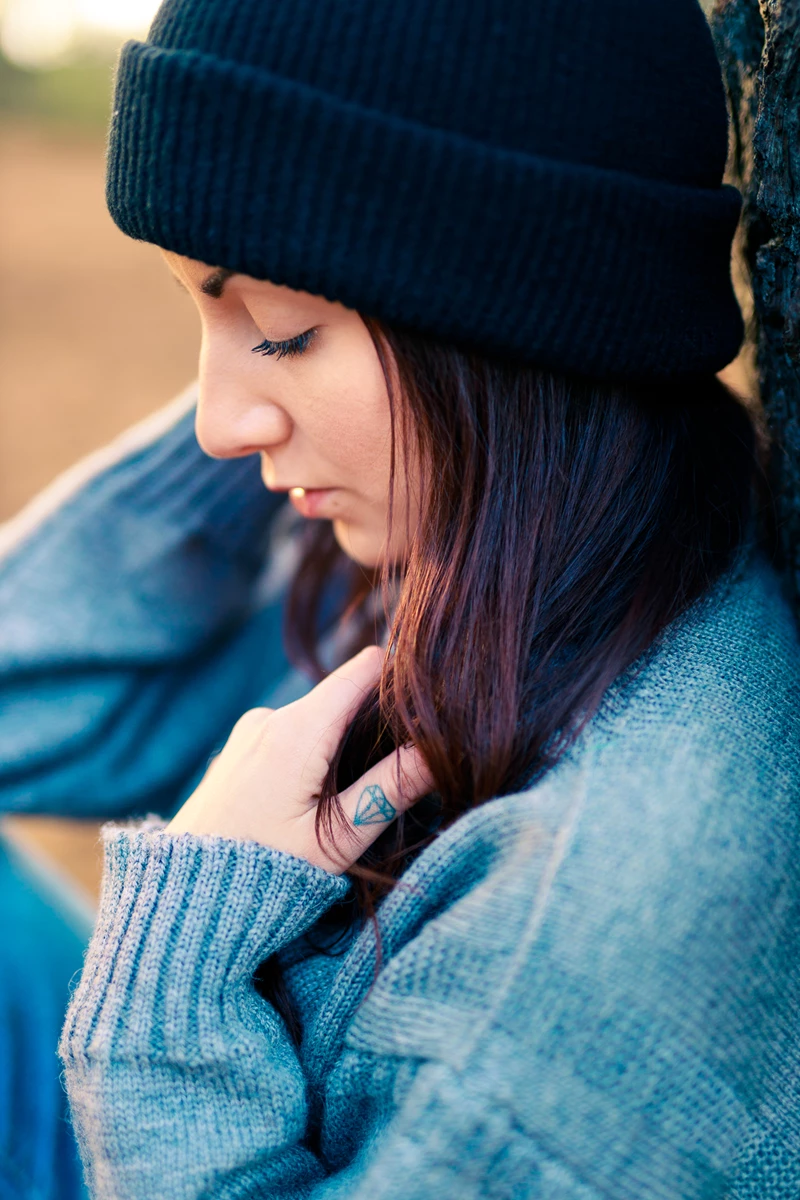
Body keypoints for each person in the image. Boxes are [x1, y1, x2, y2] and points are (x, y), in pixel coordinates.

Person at [1, 0, 799, 1195]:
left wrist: (172, 981)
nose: (216, 427)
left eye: (282, 329)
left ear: (507, 319)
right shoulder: (523, 542)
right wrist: (280, 362)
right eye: (196, 306)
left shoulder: (597, 923)